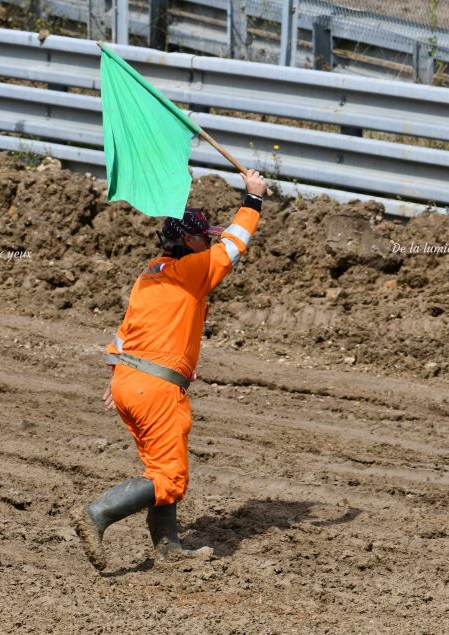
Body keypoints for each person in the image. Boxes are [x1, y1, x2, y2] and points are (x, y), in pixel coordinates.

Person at [71, 170, 268, 571]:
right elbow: (233, 246)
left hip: (129, 380)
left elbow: (125, 333)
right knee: (171, 477)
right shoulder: (191, 271)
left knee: (160, 468)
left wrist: (118, 376)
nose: (210, 242)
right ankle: (97, 514)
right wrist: (253, 200)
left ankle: (168, 549)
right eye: (204, 237)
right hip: (156, 387)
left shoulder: (149, 275)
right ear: (190, 241)